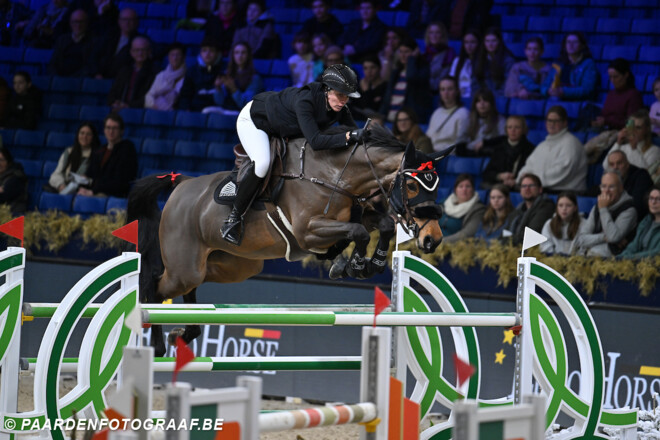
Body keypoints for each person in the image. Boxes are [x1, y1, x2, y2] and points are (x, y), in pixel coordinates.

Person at [221, 64, 362, 245]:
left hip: (282, 126)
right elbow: (317, 142)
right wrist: (349, 136)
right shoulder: (306, 101)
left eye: (347, 97)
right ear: (327, 89)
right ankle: (234, 218)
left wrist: (365, 137)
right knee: (262, 163)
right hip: (256, 121)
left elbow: (353, 132)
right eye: (340, 94)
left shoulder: (338, 106)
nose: (343, 101)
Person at [517, 105, 587, 193]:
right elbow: (529, 166)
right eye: (549, 120)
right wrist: (522, 178)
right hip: (542, 190)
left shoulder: (571, 143)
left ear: (565, 123)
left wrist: (533, 181)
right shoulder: (542, 146)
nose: (552, 124)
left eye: (556, 121)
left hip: (568, 194)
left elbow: (562, 172)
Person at [571, 172, 637, 257]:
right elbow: (581, 239)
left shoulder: (629, 210)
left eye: (611, 187)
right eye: (603, 186)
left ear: (621, 188)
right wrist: (604, 237)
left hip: (613, 261)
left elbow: (613, 237)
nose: (606, 191)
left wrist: (603, 209)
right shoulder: (597, 207)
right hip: (589, 254)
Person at [78, 113, 137, 198]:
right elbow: (90, 174)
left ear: (121, 130)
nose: (111, 131)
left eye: (115, 128)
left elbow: (120, 182)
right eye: (108, 128)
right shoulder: (100, 150)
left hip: (113, 194)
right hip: (95, 191)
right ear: (104, 130)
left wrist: (93, 191)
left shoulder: (127, 149)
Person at [379, 36, 431, 123]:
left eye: (407, 52)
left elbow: (411, 77)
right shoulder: (396, 73)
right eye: (401, 52)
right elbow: (387, 98)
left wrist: (412, 59)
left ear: (415, 53)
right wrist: (380, 116)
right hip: (390, 119)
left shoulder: (422, 71)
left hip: (407, 121)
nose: (403, 55)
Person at [541, 32, 598, 101]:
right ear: (565, 46)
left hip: (576, 102)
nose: (571, 45)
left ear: (582, 46)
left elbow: (587, 89)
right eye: (568, 42)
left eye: (575, 42)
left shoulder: (588, 64)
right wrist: (548, 91)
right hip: (556, 99)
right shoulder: (558, 64)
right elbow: (544, 86)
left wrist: (563, 91)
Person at [480, 115, 534, 189]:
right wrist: (500, 176)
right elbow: (487, 173)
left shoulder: (530, 149)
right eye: (509, 127)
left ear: (523, 130)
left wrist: (516, 181)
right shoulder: (499, 148)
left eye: (517, 127)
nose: (513, 130)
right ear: (506, 130)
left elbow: (532, 174)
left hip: (518, 185)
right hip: (499, 185)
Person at [107, 36, 158, 111]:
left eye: (143, 50)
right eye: (137, 50)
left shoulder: (155, 72)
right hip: (121, 109)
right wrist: (114, 102)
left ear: (149, 52)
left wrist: (129, 105)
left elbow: (150, 97)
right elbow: (113, 92)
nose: (140, 53)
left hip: (140, 110)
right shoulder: (124, 70)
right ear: (131, 52)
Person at [591, 58, 643, 132]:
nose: (612, 80)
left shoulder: (634, 95)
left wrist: (607, 121)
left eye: (615, 77)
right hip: (607, 131)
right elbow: (605, 116)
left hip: (624, 134)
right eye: (610, 77)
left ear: (626, 75)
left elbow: (631, 124)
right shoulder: (611, 94)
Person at [210, 41, 264, 112]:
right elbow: (219, 102)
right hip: (225, 109)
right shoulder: (227, 74)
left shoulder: (255, 78)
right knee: (206, 111)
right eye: (237, 52)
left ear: (248, 55)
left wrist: (234, 89)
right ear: (233, 55)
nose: (240, 56)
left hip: (241, 112)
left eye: (243, 53)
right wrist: (218, 88)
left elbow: (246, 105)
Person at [47, 122, 101, 194]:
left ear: (93, 137)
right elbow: (56, 173)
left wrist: (88, 180)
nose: (84, 137)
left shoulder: (99, 154)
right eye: (82, 133)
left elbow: (99, 180)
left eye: (88, 134)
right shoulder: (69, 152)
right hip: (65, 188)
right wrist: (61, 186)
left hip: (85, 192)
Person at [48, 9, 99, 77]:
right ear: (70, 23)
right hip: (60, 79)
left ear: (86, 23)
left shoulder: (93, 41)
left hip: (80, 80)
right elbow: (53, 63)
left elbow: (90, 66)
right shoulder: (62, 40)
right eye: (75, 22)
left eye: (81, 22)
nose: (78, 25)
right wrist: (57, 78)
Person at [507, 173, 555, 246]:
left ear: (540, 189)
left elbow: (531, 233)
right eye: (524, 186)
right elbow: (506, 232)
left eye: (531, 185)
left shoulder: (546, 206)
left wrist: (511, 241)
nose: (527, 189)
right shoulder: (519, 208)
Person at [178, 37, 223, 111]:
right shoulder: (192, 71)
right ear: (200, 53)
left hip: (216, 111)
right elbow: (185, 95)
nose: (207, 54)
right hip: (194, 111)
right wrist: (186, 108)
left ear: (217, 53)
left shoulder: (223, 71)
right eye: (204, 50)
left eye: (211, 50)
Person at [604, 150, 653, 219]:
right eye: (612, 164)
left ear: (627, 164)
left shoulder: (641, 176)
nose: (615, 167)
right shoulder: (610, 179)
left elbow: (637, 207)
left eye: (619, 163)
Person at [439, 173, 486, 243]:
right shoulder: (444, 202)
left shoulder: (478, 209)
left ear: (473, 189)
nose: (464, 189)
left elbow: (467, 233)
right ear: (455, 190)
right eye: (460, 186)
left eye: (468, 186)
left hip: (454, 245)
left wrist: (441, 242)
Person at [426, 75, 469, 152]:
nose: (446, 93)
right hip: (429, 153)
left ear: (457, 91)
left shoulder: (463, 113)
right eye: (442, 89)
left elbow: (460, 143)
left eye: (450, 89)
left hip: (446, 156)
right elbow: (428, 137)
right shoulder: (437, 112)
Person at [96, 7, 140, 79]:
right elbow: (95, 56)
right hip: (101, 76)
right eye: (124, 19)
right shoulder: (108, 37)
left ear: (136, 22)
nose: (127, 23)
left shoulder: (140, 40)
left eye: (130, 20)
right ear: (119, 21)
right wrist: (97, 73)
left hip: (123, 78)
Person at [620, 185, 660, 259]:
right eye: (651, 198)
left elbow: (657, 253)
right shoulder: (646, 221)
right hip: (636, 263)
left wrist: (631, 257)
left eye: (658, 199)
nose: (653, 202)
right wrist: (619, 258)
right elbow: (634, 246)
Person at [144, 43, 187, 111]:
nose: (175, 58)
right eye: (172, 55)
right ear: (168, 57)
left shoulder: (188, 76)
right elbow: (149, 96)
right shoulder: (161, 75)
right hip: (157, 111)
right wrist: (155, 105)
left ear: (183, 57)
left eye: (178, 55)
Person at [473, 28, 515, 97]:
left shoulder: (508, 60)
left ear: (499, 42)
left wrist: (492, 98)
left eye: (493, 41)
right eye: (487, 41)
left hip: (500, 97)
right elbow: (475, 83)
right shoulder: (479, 58)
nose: (490, 44)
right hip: (481, 98)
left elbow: (507, 84)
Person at [462, 88, 505, 155]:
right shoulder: (469, 120)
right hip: (470, 154)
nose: (482, 103)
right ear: (475, 104)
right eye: (478, 101)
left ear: (491, 103)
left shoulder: (499, 119)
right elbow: (461, 142)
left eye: (485, 100)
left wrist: (485, 143)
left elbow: (505, 138)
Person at [351, 55, 387, 121]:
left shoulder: (386, 87)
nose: (369, 71)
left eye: (372, 67)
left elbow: (371, 109)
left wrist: (366, 91)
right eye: (365, 68)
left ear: (380, 68)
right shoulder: (361, 85)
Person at [424, 21, 456, 93]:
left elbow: (442, 79)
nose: (434, 35)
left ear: (442, 35)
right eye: (431, 32)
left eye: (437, 32)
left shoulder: (449, 54)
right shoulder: (425, 54)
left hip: (439, 92)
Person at [448, 29, 480, 100]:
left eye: (472, 42)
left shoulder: (483, 61)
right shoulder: (457, 61)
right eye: (466, 42)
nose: (469, 46)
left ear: (478, 43)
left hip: (476, 99)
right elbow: (452, 80)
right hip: (458, 98)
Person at [0, 146, 27, 214]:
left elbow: (3, 197)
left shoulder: (16, 177)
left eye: (1, 160)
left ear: (8, 162)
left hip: (12, 214)